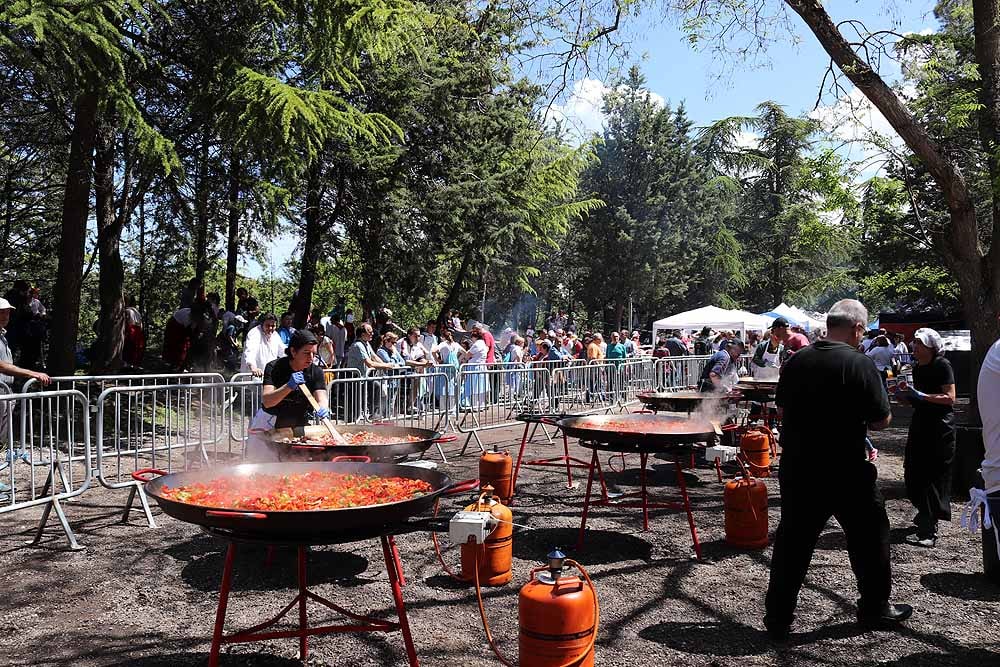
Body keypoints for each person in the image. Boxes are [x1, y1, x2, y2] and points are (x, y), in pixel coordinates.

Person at [764, 299, 910, 640]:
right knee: (869, 538)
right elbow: (880, 421)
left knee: (793, 542)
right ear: (858, 329)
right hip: (845, 469)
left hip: (799, 467)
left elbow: (782, 410)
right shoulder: (859, 363)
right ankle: (875, 608)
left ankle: (778, 617)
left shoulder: (797, 360)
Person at [898, 328, 956, 548]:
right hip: (920, 424)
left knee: (931, 474)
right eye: (914, 342)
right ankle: (925, 512)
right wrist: (902, 396)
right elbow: (914, 400)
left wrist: (922, 395)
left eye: (920, 343)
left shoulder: (942, 365)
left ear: (931, 347)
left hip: (940, 427)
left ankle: (928, 528)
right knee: (913, 471)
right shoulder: (915, 368)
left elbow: (950, 398)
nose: (915, 346)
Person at [245, 330, 329, 461]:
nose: (311, 358)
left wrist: (324, 408)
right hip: (269, 422)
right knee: (261, 467)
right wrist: (288, 386)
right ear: (293, 351)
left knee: (296, 468)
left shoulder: (316, 371)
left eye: (314, 354)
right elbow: (267, 401)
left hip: (296, 424)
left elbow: (321, 396)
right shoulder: (274, 367)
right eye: (306, 353)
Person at [122, 296, 145, 369]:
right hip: (138, 331)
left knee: (128, 347)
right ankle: (135, 365)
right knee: (136, 348)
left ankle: (127, 365)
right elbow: (141, 323)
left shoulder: (127, 311)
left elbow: (128, 322)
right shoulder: (136, 311)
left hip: (131, 330)